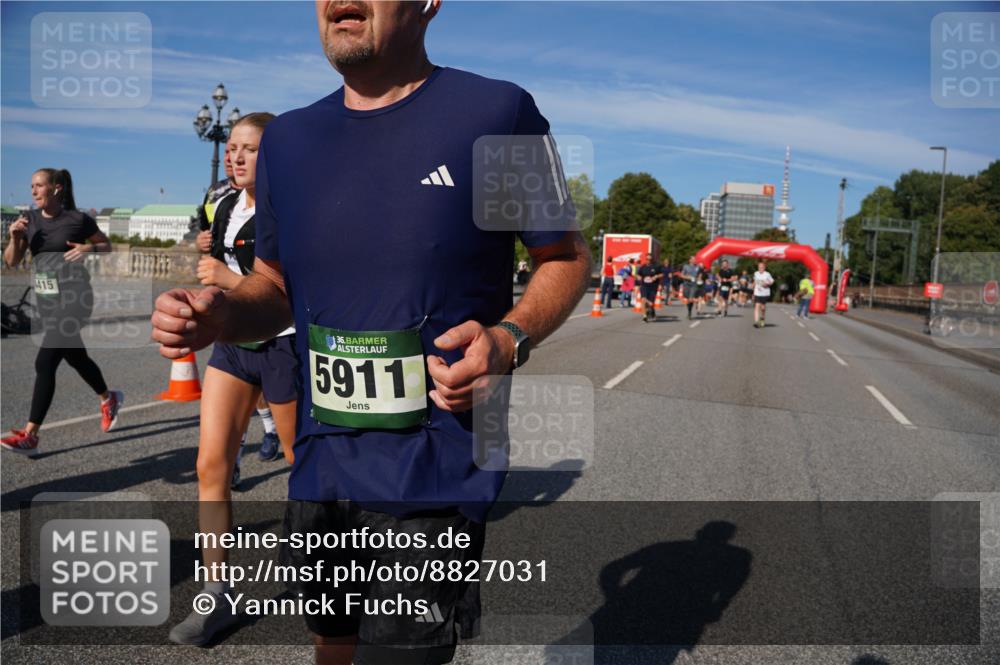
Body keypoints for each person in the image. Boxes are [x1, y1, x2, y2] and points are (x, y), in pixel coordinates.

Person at [151, 2, 591, 662]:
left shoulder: (496, 114)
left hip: (438, 463)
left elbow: (566, 257)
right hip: (322, 461)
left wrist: (507, 339)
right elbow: (273, 288)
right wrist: (221, 311)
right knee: (332, 645)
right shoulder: (291, 142)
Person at [168, 113, 299, 646]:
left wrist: (227, 278)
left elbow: (291, 282)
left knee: (302, 465)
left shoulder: (287, 207)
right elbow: (214, 261)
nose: (236, 156)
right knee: (210, 464)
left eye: (249, 149)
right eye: (232, 148)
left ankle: (336, 566)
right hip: (232, 347)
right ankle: (214, 594)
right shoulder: (221, 204)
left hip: (283, 342)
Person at [1, 169, 123, 455]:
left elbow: (107, 245)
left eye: (39, 185)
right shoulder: (28, 220)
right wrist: (15, 238)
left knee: (45, 362)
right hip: (47, 303)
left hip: (76, 299)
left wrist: (88, 249)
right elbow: (11, 262)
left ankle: (30, 434)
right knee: (76, 357)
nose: (33, 191)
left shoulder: (77, 219)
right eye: (31, 186)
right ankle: (108, 398)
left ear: (55, 188)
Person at [636, 252, 661, 322]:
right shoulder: (643, 267)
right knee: (643, 300)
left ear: (652, 260)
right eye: (647, 259)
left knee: (651, 303)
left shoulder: (655, 267)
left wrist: (656, 276)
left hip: (653, 287)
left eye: (650, 259)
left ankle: (652, 311)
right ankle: (644, 316)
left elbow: (661, 274)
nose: (648, 261)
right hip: (644, 286)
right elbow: (638, 275)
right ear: (645, 259)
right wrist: (639, 277)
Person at [752, 260, 774, 329]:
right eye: (759, 267)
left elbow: (772, 281)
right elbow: (755, 282)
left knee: (763, 308)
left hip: (765, 293)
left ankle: (762, 318)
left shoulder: (767, 274)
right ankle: (756, 322)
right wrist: (752, 290)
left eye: (762, 267)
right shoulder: (756, 273)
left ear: (764, 268)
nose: (760, 269)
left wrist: (767, 284)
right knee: (757, 306)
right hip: (757, 292)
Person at [680, 256, 701, 320]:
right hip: (686, 284)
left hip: (693, 285)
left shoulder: (697, 267)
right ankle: (689, 311)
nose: (695, 260)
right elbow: (681, 275)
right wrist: (688, 277)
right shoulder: (685, 266)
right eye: (693, 259)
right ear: (690, 260)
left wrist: (698, 279)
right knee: (688, 299)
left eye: (695, 259)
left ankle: (689, 312)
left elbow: (699, 275)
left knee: (691, 299)